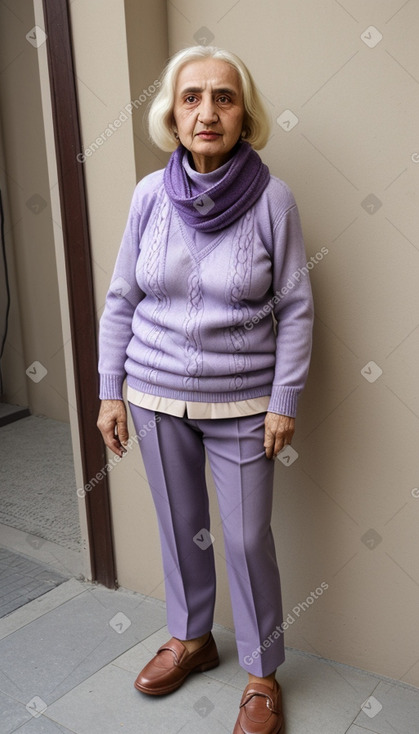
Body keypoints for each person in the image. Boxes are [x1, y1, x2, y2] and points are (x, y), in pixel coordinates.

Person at [97, 45, 314, 734]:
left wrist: (284, 400)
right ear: (172, 112)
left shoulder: (272, 199)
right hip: (154, 397)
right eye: (191, 97)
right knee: (180, 527)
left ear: (243, 113)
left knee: (247, 539)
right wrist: (110, 391)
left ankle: (260, 673)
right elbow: (122, 297)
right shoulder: (147, 195)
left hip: (243, 402)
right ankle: (192, 639)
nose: (206, 111)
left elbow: (298, 307)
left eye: (223, 97)